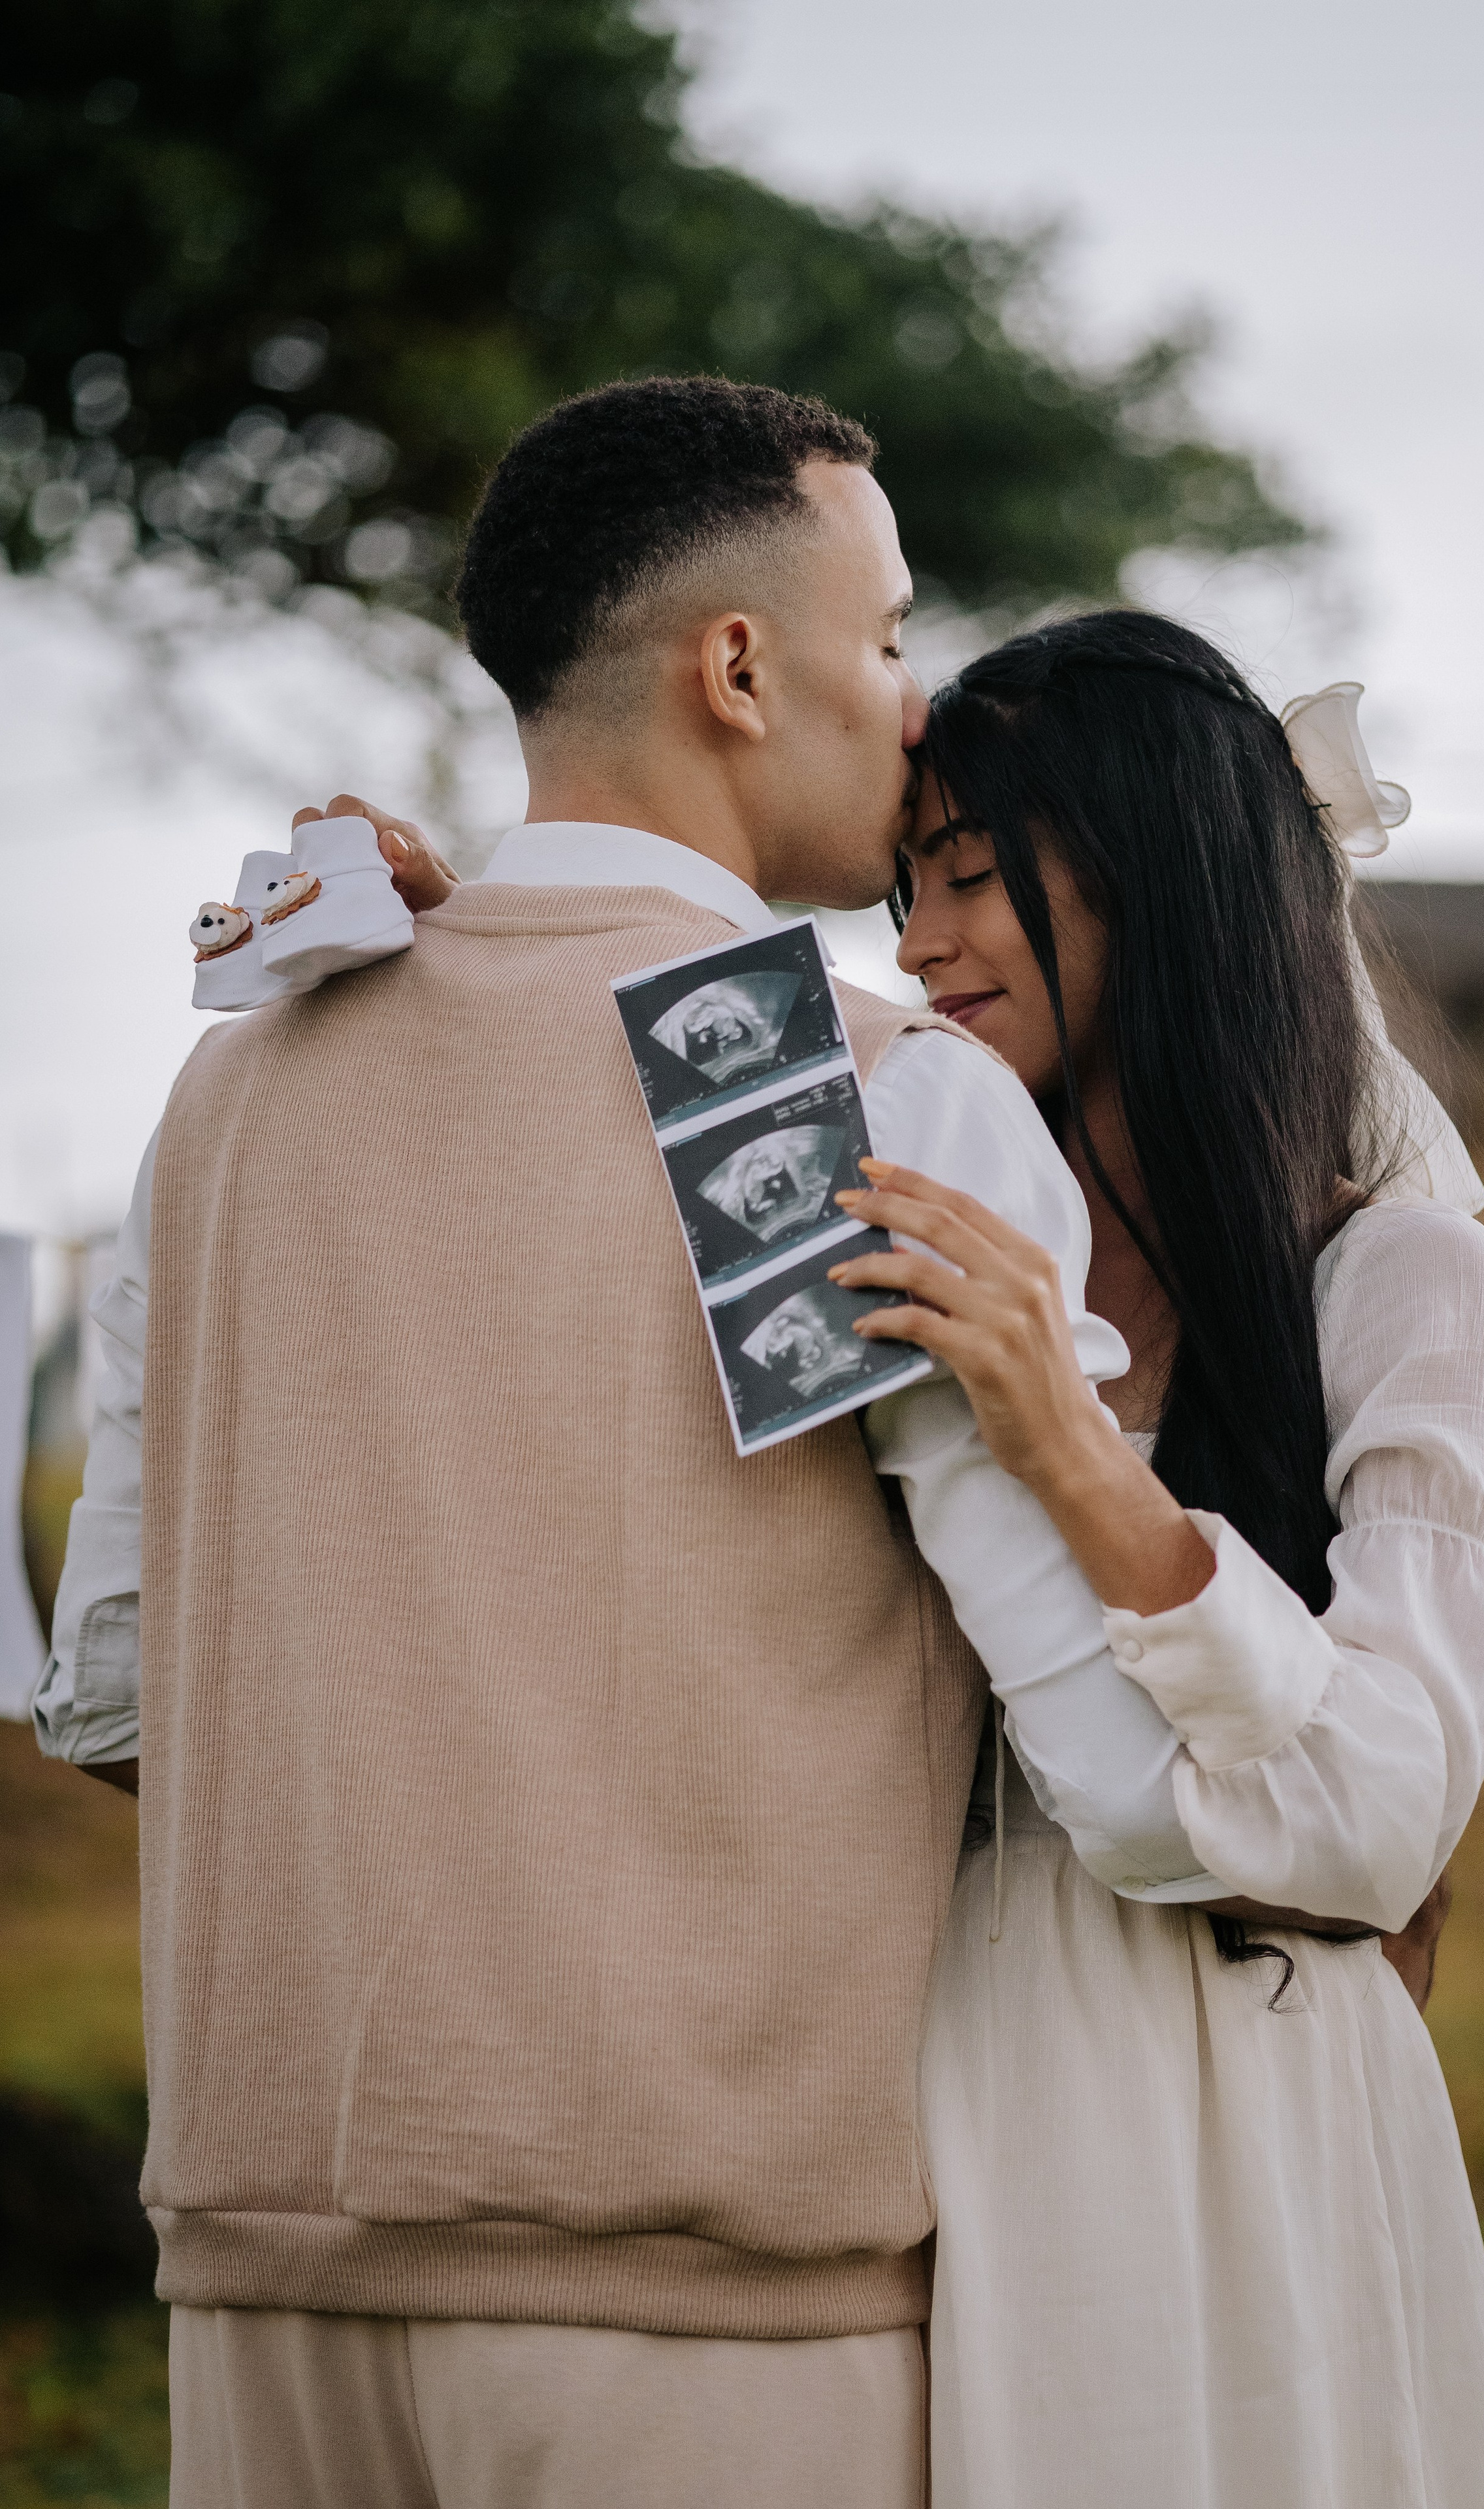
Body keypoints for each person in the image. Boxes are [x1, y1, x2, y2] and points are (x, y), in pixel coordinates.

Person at [33, 379, 1228, 2509]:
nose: (917, 697)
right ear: (740, 667)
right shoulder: (858, 1091)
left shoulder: (220, 1096)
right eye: (887, 635)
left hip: (263, 2258)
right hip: (702, 2289)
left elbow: (122, 1694)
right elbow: (1116, 1763)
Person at [825, 608, 1484, 2507]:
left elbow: (1385, 1810)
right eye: (907, 884)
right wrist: (438, 922)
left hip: (1241, 2075)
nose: (920, 939)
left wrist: (1065, 1442)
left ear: (1156, 876)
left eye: (974, 876)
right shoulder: (922, 1211)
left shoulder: (1396, 1280)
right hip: (896, 2063)